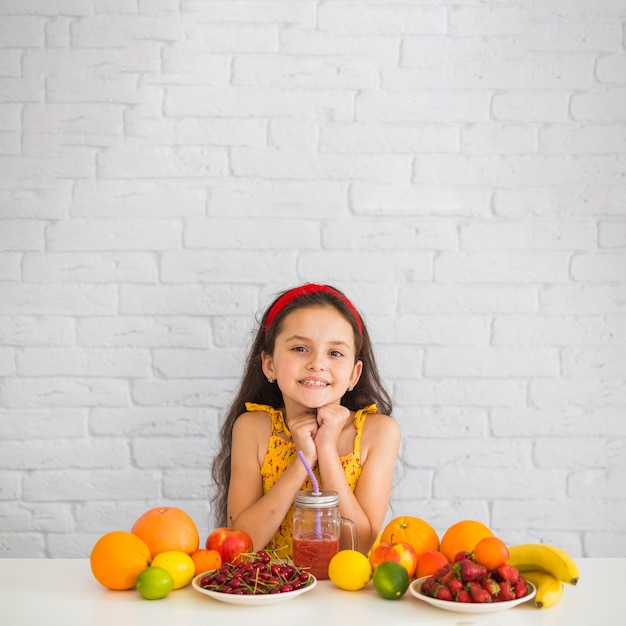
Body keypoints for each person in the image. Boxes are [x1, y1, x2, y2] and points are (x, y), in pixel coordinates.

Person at [211, 283, 401, 556]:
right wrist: (302, 460)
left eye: (335, 353)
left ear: (354, 374)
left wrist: (326, 450)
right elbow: (241, 545)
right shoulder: (252, 429)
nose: (317, 363)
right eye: (300, 348)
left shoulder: (378, 432)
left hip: (342, 594)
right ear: (269, 365)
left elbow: (358, 546)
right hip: (270, 592)